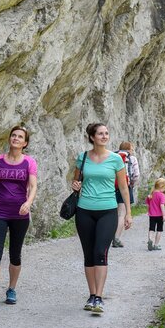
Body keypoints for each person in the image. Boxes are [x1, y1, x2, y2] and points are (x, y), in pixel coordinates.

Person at [71, 123, 132, 315]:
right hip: (84, 210)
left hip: (108, 211)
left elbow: (123, 188)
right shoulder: (82, 158)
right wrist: (75, 186)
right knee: (88, 254)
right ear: (92, 137)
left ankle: (99, 297)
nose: (104, 136)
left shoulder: (116, 159)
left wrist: (128, 213)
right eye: (100, 134)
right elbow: (76, 183)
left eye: (106, 133)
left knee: (100, 252)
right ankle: (91, 295)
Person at [0, 125, 38, 309]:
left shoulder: (29, 162)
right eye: (14, 135)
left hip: (20, 214)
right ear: (9, 139)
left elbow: (34, 186)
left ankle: (11, 289)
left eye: (20, 137)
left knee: (15, 254)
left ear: (25, 143)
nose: (16, 138)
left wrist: (28, 203)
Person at [112, 141, 140, 247]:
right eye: (132, 148)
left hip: (111, 187)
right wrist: (131, 183)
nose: (132, 151)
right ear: (129, 149)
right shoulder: (132, 159)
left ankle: (108, 235)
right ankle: (116, 239)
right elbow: (136, 175)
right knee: (121, 214)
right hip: (124, 187)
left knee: (112, 213)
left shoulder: (113, 156)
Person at [146, 178, 165, 251]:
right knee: (159, 230)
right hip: (159, 216)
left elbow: (148, 205)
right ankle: (156, 245)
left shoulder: (151, 195)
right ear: (161, 187)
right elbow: (162, 205)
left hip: (152, 215)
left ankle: (150, 240)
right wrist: (164, 215)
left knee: (151, 229)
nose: (164, 190)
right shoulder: (161, 195)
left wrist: (148, 211)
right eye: (164, 188)